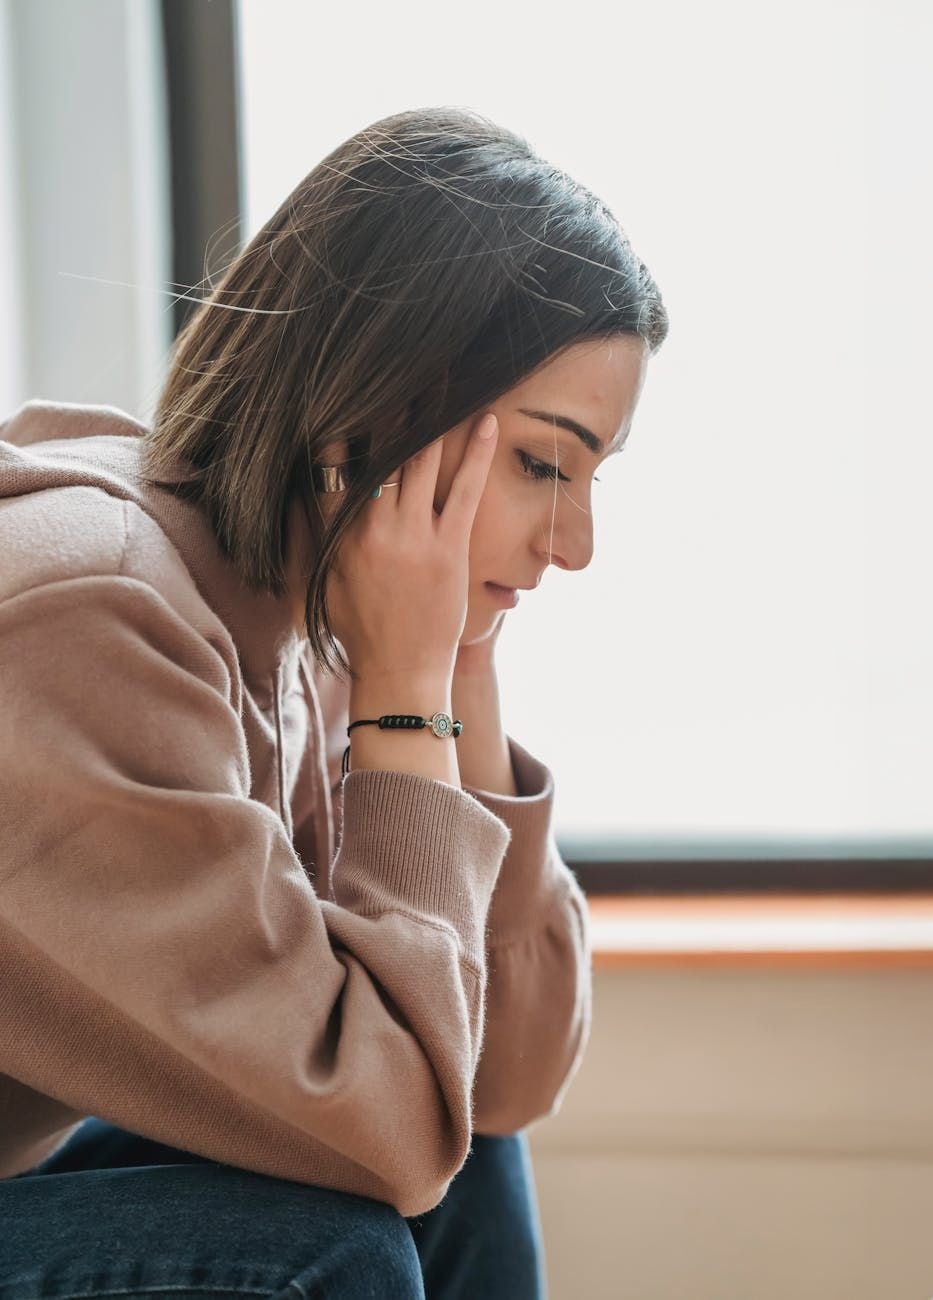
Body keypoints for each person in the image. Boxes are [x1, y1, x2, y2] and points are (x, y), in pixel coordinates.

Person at [0, 106, 668, 1296]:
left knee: (454, 1132)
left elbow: (493, 1081)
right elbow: (395, 1121)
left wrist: (458, 667)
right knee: (337, 1246)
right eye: (542, 464)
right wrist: (409, 694)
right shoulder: (94, 620)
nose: (576, 545)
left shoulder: (299, 627)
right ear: (379, 410)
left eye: (590, 478)